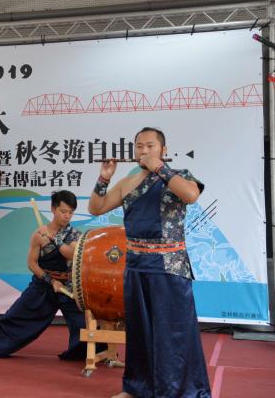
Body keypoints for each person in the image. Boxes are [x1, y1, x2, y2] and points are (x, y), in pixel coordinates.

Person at [88, 127, 210, 398]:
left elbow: (191, 195)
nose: (144, 151)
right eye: (139, 146)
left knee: (173, 332)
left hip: (169, 266)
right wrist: (103, 178)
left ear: (163, 150)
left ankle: (177, 390)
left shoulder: (180, 177)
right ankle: (137, 387)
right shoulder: (129, 182)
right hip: (136, 266)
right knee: (140, 333)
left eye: (150, 146)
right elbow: (96, 208)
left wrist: (160, 169)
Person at [0, 190, 90, 361]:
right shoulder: (38, 235)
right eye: (63, 211)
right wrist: (50, 281)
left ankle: (91, 355)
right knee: (14, 316)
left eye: (70, 213)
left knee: (83, 322)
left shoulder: (74, 234)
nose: (67, 216)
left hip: (68, 286)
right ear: (53, 209)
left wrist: (55, 239)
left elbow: (71, 253)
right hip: (43, 285)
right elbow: (32, 264)